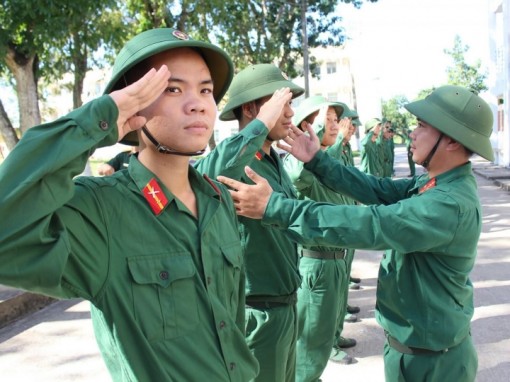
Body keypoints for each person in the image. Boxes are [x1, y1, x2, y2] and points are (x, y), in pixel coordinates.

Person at [0, 28, 260, 381]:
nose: (198, 102)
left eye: (205, 90)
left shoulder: (217, 201)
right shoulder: (102, 211)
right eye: (172, 88)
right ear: (132, 102)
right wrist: (98, 119)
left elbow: (230, 321)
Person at [217, 85, 494, 382]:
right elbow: (377, 189)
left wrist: (276, 208)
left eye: (422, 127)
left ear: (451, 140)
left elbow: (370, 223)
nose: (412, 133)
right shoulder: (435, 184)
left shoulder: (447, 204)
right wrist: (317, 161)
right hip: (418, 350)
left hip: (433, 363)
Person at [195, 63, 304, 382]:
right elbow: (207, 173)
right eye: (280, 103)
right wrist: (259, 126)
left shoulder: (273, 161)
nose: (289, 112)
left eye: (291, 103)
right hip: (256, 312)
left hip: (286, 306)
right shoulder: (234, 164)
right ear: (251, 107)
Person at [283, 96, 356, 378]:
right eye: (329, 120)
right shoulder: (298, 163)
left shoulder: (325, 162)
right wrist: (310, 133)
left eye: (336, 120)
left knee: (321, 344)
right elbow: (297, 176)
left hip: (335, 260)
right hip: (317, 264)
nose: (336, 126)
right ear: (308, 125)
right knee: (309, 349)